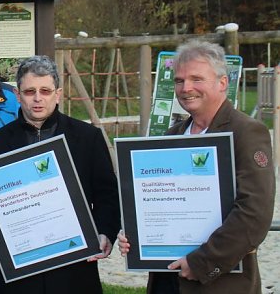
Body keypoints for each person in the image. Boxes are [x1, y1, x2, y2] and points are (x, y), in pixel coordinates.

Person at [118, 40, 275, 294]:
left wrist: (202, 263)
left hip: (219, 282)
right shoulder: (171, 136)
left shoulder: (246, 132)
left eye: (196, 79)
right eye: (179, 81)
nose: (186, 88)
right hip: (166, 279)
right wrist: (135, 237)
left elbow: (254, 214)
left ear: (222, 82)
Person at [0, 55, 120, 294]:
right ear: (17, 95)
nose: (37, 98)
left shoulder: (87, 138)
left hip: (73, 267)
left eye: (45, 90)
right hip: (17, 271)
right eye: (29, 91)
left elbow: (107, 195)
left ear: (58, 94)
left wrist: (105, 231)